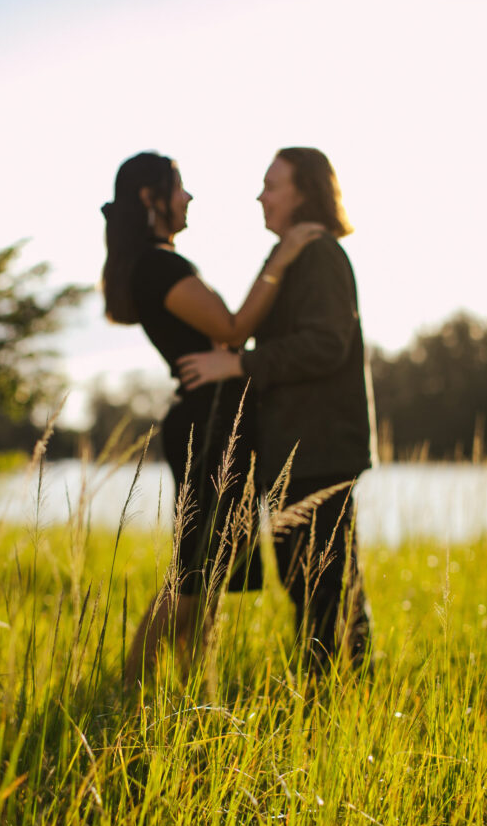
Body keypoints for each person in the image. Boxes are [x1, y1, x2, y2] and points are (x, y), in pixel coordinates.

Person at [101, 151, 321, 687]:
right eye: (178, 188)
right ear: (150, 199)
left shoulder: (160, 263)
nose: (188, 197)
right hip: (209, 426)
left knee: (209, 577)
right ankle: (129, 693)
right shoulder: (158, 265)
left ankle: (195, 697)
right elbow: (232, 326)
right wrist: (282, 256)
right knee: (193, 578)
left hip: (222, 425)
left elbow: (227, 337)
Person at [178, 147, 376, 675]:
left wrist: (238, 365)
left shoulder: (318, 255)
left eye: (271, 185)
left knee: (324, 586)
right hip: (299, 449)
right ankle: (326, 699)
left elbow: (326, 344)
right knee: (305, 582)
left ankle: (340, 702)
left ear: (304, 191)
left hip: (319, 448)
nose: (261, 196)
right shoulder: (293, 253)